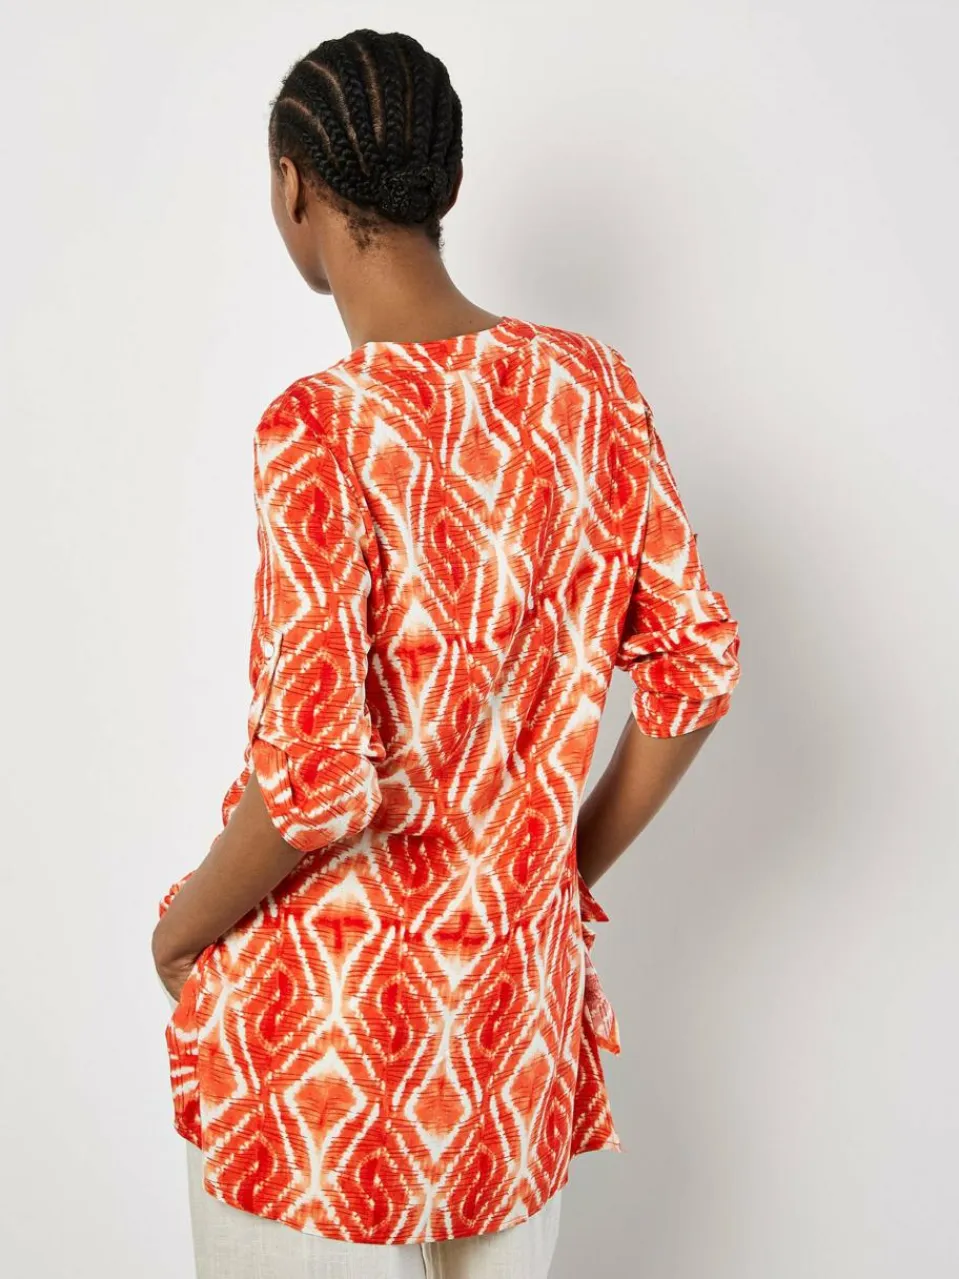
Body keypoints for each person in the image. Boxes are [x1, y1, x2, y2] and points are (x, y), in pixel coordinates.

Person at [151, 26, 742, 1279]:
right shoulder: (592, 390)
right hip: (506, 1036)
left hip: (322, 1058)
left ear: (293, 187)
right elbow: (694, 670)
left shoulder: (318, 430)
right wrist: (552, 869)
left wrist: (178, 930)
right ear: (451, 185)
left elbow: (316, 781)